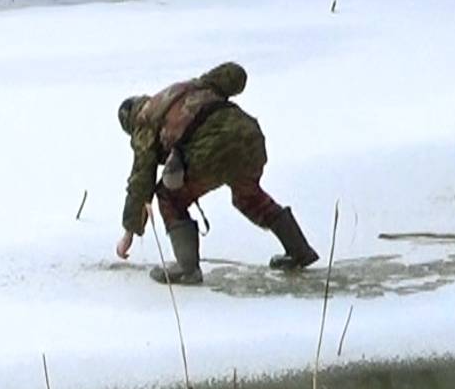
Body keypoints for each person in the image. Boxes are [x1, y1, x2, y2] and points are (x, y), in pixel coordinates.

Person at [113, 61, 319, 285]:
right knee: (248, 197)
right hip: (249, 136)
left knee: (169, 197)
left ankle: (187, 269)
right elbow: (234, 75)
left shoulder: (144, 122)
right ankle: (299, 250)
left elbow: (141, 178)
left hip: (212, 147)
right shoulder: (189, 88)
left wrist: (129, 231)